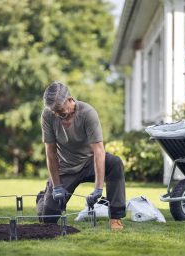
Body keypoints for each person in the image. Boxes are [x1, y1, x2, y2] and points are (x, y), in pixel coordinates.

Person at [36, 81, 126, 230]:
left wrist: (98, 189)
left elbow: (98, 151)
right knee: (47, 220)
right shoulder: (47, 115)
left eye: (62, 112)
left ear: (70, 100)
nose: (59, 116)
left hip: (89, 163)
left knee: (114, 163)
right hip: (65, 168)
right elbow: (50, 152)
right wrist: (57, 186)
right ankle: (43, 197)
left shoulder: (87, 113)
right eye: (55, 113)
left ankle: (115, 218)